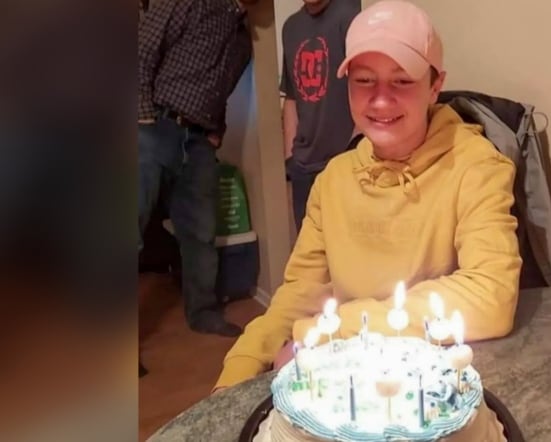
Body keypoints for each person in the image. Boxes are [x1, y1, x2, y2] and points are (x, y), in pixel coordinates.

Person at [214, 0, 521, 390]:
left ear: (435, 86)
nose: (380, 99)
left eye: (402, 81)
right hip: (347, 386)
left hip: (437, 393)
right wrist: (238, 369)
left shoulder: (476, 166)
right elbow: (299, 294)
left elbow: (489, 296)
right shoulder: (334, 180)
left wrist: (332, 328)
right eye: (363, 80)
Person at [137, 0, 257, 336]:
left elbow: (219, 91)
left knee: (201, 232)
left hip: (199, 141)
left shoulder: (243, 41)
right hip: (152, 125)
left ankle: (203, 312)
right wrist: (143, 117)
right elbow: (141, 50)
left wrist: (217, 132)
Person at [280, 0, 361, 233]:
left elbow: (367, 88)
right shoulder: (291, 27)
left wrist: (355, 153)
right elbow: (292, 97)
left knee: (349, 254)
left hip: (346, 164)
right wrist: (290, 159)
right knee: (310, 259)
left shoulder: (353, 15)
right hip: (303, 169)